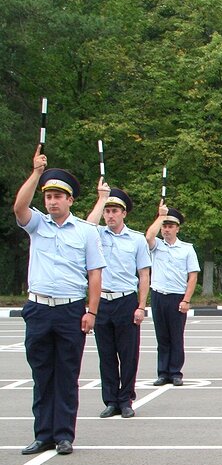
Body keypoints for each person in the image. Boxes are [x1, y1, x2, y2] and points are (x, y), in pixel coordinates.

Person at [14, 146, 105, 456]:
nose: (52, 201)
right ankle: (43, 435)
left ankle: (64, 434)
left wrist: (91, 311)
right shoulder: (38, 225)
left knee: (66, 374)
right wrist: (36, 172)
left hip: (69, 309)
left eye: (58, 197)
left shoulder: (86, 232)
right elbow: (19, 208)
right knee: (41, 375)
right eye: (48, 197)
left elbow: (94, 275)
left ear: (70, 200)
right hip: (39, 308)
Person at [86, 178, 151, 418]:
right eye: (107, 211)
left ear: (124, 213)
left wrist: (141, 306)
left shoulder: (136, 239)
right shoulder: (96, 234)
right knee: (106, 354)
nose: (109, 215)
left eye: (114, 211)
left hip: (126, 300)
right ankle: (111, 399)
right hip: (102, 300)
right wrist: (101, 198)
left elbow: (144, 274)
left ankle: (126, 400)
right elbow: (86, 225)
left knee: (128, 353)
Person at [145, 200, 199, 386]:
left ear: (177, 229)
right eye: (164, 226)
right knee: (162, 337)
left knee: (176, 336)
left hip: (177, 297)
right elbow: (148, 236)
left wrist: (186, 300)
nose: (166, 230)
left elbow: (192, 277)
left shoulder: (186, 249)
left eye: (170, 226)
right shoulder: (157, 246)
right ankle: (163, 372)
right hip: (159, 295)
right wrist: (160, 216)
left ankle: (175, 372)